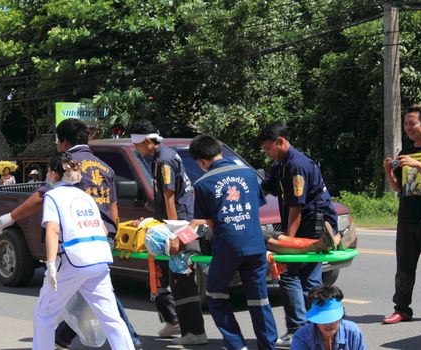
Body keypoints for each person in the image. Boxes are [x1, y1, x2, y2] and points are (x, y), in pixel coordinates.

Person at [0, 119, 143, 350]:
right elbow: (113, 209)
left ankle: (54, 341)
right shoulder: (105, 168)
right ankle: (78, 340)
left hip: (74, 249)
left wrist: (12, 217)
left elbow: (44, 205)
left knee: (46, 312)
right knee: (105, 310)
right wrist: (116, 237)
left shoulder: (66, 169)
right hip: (102, 244)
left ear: (63, 142)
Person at [32, 151, 134, 350]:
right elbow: (103, 229)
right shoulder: (85, 197)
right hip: (100, 259)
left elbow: (52, 230)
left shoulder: (53, 196)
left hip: (73, 260)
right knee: (111, 318)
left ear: (53, 175)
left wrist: (51, 264)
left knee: (44, 314)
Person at [189, 134, 278, 350]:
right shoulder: (248, 174)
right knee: (259, 299)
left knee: (215, 294)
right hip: (256, 245)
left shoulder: (202, 183)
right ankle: (268, 346)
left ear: (201, 161)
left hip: (228, 248)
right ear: (219, 149)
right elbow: (255, 207)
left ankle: (237, 345)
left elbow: (208, 222)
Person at [258, 122, 340, 348]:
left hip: (314, 224)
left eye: (268, 149)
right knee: (310, 279)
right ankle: (319, 327)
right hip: (306, 224)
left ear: (280, 141)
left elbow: (296, 207)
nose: (267, 154)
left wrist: (286, 240)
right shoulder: (280, 165)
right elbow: (264, 189)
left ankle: (298, 329)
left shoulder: (297, 166)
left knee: (289, 275)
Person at [130, 119, 207, 345]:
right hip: (178, 223)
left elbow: (169, 197)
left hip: (179, 225)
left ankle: (192, 331)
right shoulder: (164, 156)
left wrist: (171, 233)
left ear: (147, 141)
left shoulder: (163, 161)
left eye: (137, 145)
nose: (136, 150)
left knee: (181, 277)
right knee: (177, 277)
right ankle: (185, 327)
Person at [383, 104, 421, 324]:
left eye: (412, 123)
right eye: (406, 123)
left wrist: (416, 164)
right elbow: (398, 189)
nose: (408, 127)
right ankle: (402, 310)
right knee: (404, 270)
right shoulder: (405, 152)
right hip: (407, 219)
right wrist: (389, 173)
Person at [291, 285, 366, 350]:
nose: (327, 324)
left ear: (340, 317)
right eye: (322, 320)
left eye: (331, 319)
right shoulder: (301, 337)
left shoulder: (353, 332)